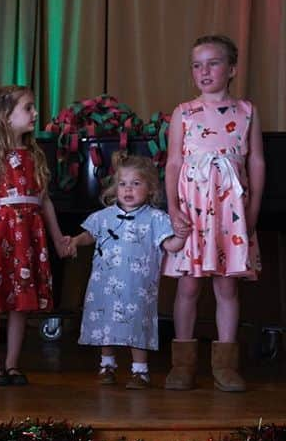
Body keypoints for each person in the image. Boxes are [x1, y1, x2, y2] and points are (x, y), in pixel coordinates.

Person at [162, 34, 265, 392]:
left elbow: (256, 162)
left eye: (213, 63)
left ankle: (225, 366)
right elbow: (174, 162)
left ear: (232, 69)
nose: (204, 71)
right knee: (188, 287)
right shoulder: (184, 112)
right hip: (193, 213)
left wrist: (251, 212)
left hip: (230, 214)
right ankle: (182, 365)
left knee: (226, 287)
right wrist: (173, 207)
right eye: (196, 65)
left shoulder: (247, 111)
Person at [0, 85, 72, 386]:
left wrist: (59, 238)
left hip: (29, 234)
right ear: (5, 117)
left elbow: (45, 200)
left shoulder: (36, 155)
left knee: (21, 303)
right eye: (28, 107)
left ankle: (12, 363)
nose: (35, 113)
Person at [71, 152, 189, 388]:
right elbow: (89, 235)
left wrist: (182, 237)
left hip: (138, 288)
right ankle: (107, 365)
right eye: (123, 184)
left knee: (138, 324)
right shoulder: (104, 216)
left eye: (136, 184)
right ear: (115, 188)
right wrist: (74, 241)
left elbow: (169, 245)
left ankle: (140, 371)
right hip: (104, 284)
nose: (128, 189)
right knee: (106, 323)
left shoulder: (156, 218)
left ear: (151, 189)